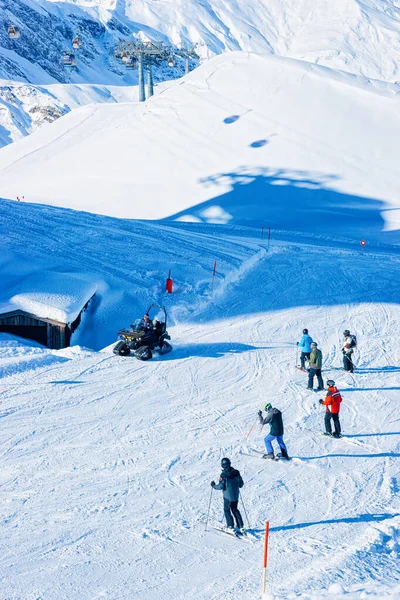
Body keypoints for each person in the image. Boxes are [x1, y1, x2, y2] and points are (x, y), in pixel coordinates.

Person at [211, 458, 245, 533]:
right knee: (235, 510)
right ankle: (241, 526)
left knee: (227, 510)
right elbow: (241, 484)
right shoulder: (236, 472)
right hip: (235, 495)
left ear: (223, 465)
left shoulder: (223, 475)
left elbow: (221, 486)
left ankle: (230, 526)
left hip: (227, 496)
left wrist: (213, 486)